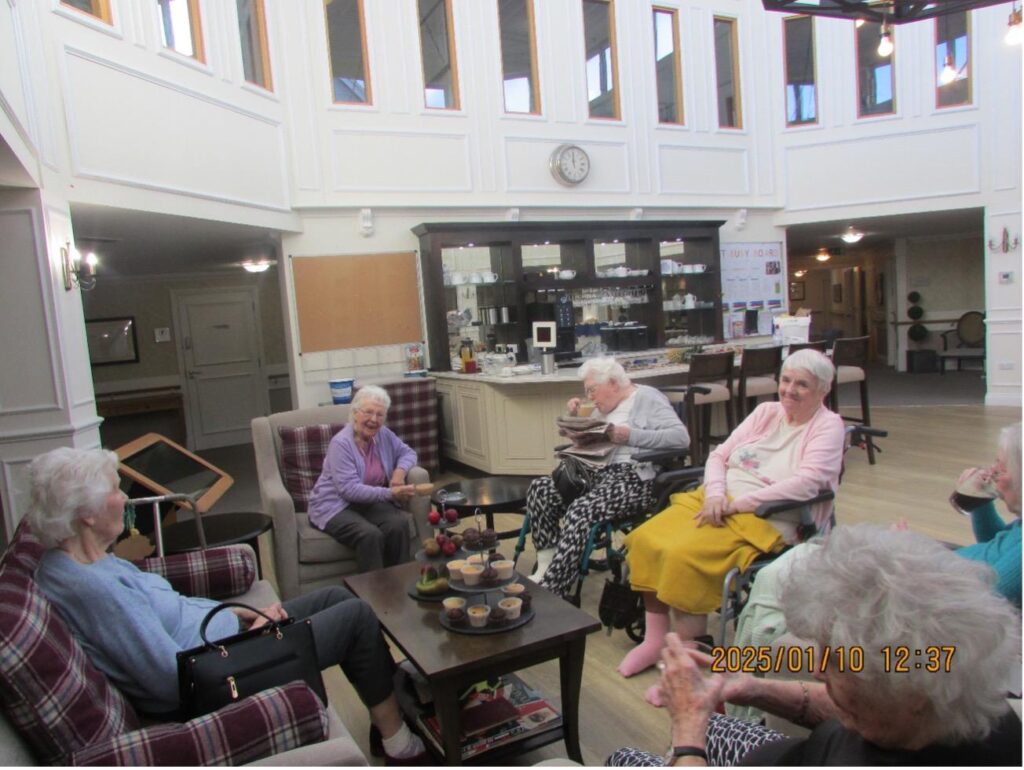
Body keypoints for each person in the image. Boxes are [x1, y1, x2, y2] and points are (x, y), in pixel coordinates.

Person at [28, 447, 427, 763]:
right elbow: (169, 681)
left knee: (339, 596)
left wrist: (241, 614)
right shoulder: (93, 590)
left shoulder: (89, 558)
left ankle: (391, 708)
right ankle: (397, 743)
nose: (125, 500)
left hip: (221, 641)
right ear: (86, 515)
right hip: (218, 675)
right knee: (355, 617)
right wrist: (253, 638)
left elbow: (176, 608)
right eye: (116, 492)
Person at [607, 525, 1022, 767]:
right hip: (800, 752)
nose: (819, 669)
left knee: (624, 758)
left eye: (834, 660)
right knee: (713, 726)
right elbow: (865, 699)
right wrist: (753, 687)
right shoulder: (951, 696)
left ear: (910, 692)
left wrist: (687, 734)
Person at [618, 349, 845, 691]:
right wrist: (715, 494)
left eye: (802, 385)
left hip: (769, 514)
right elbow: (719, 454)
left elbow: (809, 482)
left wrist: (739, 505)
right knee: (644, 539)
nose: (789, 390)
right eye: (785, 380)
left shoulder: (828, 426)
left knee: (684, 556)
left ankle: (688, 658)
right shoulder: (766, 412)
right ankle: (654, 640)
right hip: (718, 500)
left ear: (823, 390)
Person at [526, 356, 689, 599]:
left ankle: (554, 588)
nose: (590, 396)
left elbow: (681, 438)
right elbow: (591, 440)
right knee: (540, 488)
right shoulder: (604, 408)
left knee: (581, 510)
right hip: (594, 473)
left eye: (592, 390)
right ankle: (547, 564)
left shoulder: (647, 397)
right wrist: (575, 419)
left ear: (613, 383)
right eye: (587, 391)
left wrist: (630, 436)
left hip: (632, 478)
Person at [308, 384, 417, 573]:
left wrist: (399, 474)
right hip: (334, 506)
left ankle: (401, 585)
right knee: (370, 535)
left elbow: (407, 453)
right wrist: (391, 493)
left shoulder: (383, 434)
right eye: (368, 412)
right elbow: (349, 490)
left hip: (367, 503)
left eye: (380, 414)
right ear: (355, 413)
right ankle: (372, 596)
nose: (373, 420)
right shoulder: (341, 443)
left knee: (398, 525)